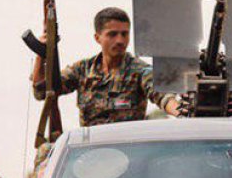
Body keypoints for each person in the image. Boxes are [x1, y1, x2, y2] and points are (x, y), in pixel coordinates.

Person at [31, 7, 180, 126]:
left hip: (129, 150)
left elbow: (164, 96)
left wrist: (182, 113)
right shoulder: (82, 70)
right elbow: (42, 92)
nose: (120, 40)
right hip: (90, 151)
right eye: (112, 34)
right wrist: (42, 53)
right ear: (97, 38)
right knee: (45, 152)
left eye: (124, 34)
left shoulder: (140, 71)